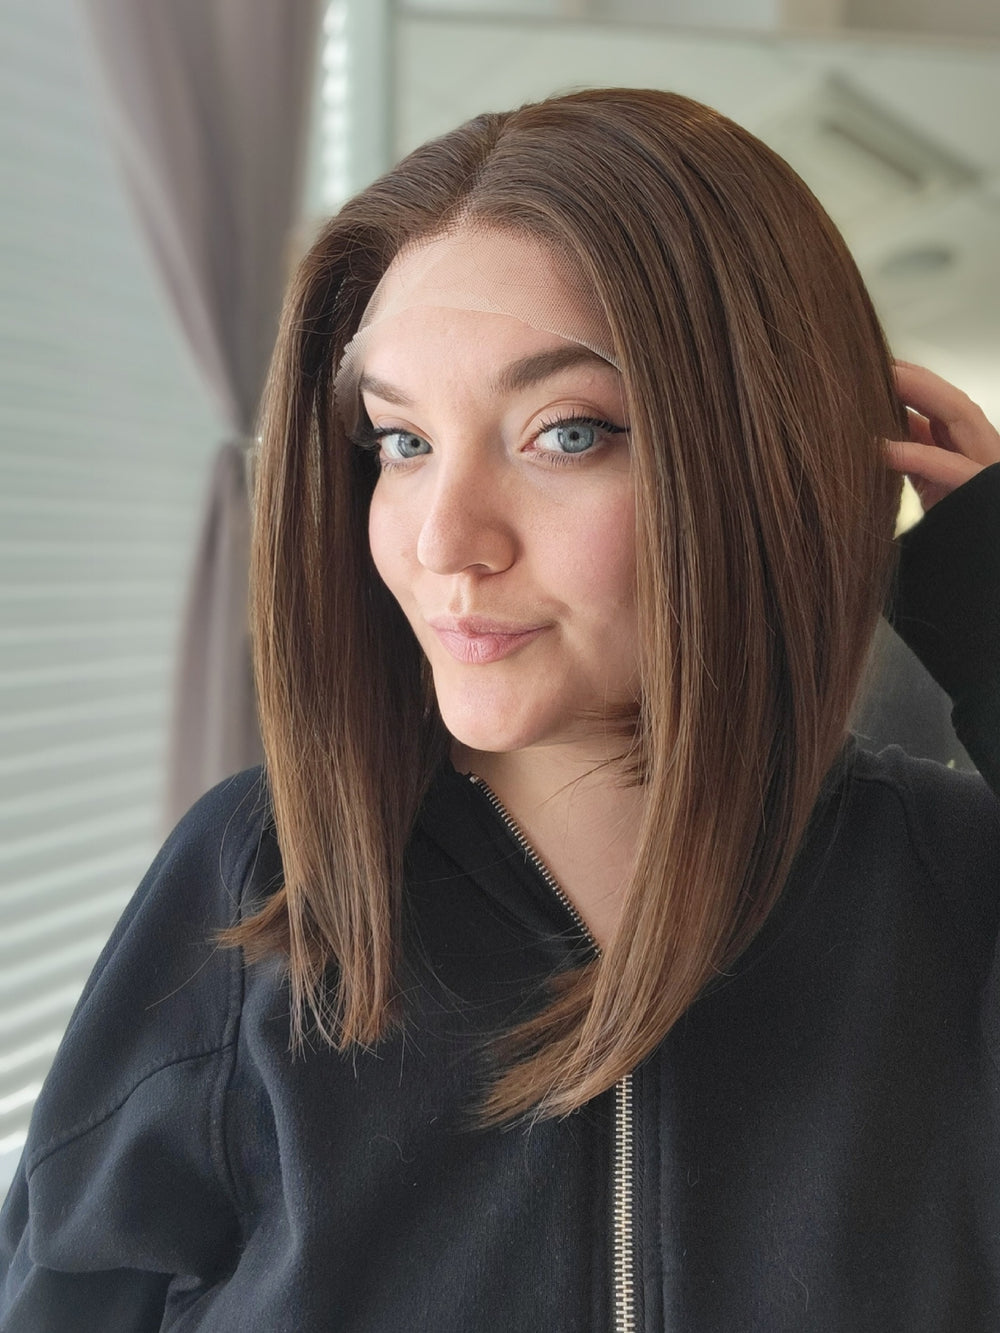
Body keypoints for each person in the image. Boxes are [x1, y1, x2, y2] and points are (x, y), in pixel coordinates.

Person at [1, 86, 999, 1332]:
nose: (443, 541)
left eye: (565, 433)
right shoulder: (259, 882)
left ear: (766, 452)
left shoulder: (953, 886)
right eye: (401, 442)